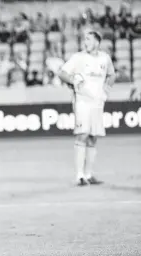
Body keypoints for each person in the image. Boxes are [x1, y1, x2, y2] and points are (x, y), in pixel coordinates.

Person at [59, 30, 116, 186]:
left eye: (89, 39)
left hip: (98, 103)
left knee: (93, 137)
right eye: (85, 39)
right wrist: (72, 79)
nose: (85, 42)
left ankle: (89, 175)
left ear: (97, 42)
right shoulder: (78, 58)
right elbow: (62, 73)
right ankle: (79, 176)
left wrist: (106, 90)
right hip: (82, 102)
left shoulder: (105, 58)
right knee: (82, 135)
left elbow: (112, 75)